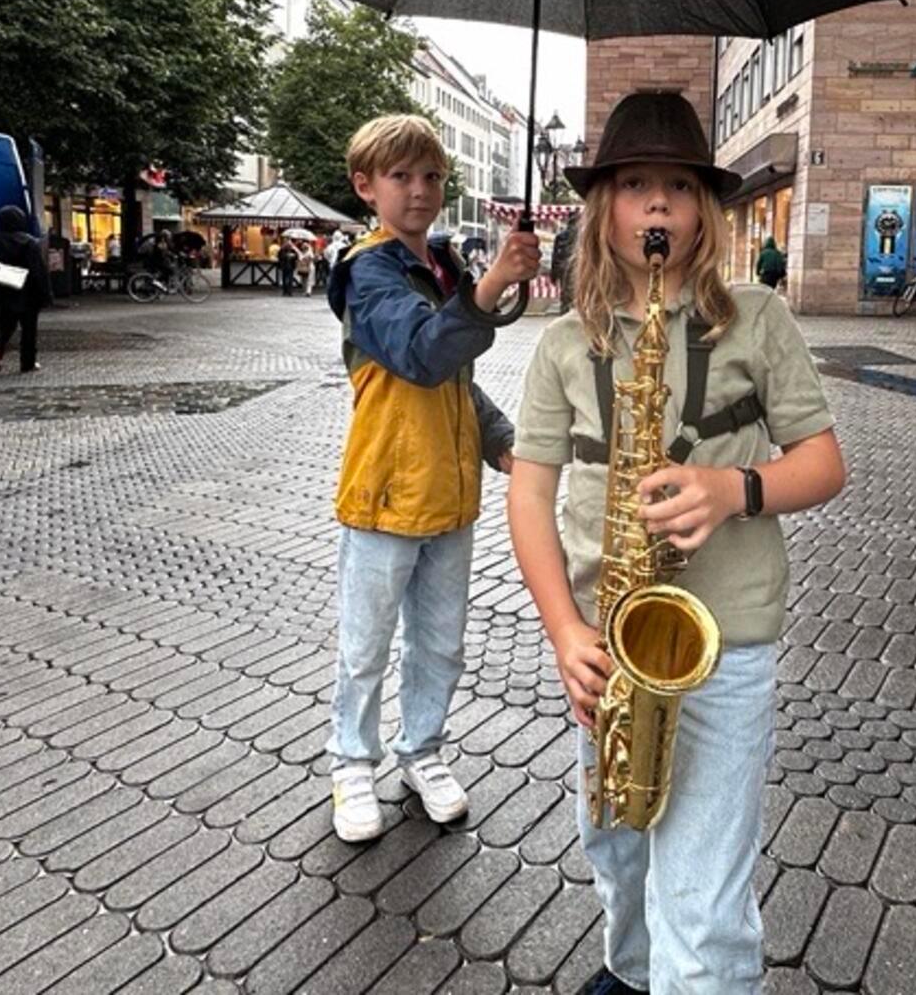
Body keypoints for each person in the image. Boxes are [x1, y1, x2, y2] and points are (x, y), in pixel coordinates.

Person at [506, 92, 847, 994]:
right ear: (602, 208)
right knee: (617, 850)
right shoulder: (563, 344)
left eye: (677, 187)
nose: (656, 203)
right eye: (633, 185)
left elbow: (824, 463)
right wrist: (562, 630)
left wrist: (734, 489)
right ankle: (630, 969)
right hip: (606, 640)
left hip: (724, 642)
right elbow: (529, 491)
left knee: (701, 898)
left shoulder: (758, 318)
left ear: (704, 211)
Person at [324, 114, 540, 845]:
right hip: (385, 492)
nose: (419, 191)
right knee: (366, 644)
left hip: (450, 500)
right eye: (400, 177)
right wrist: (489, 290)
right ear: (366, 186)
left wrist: (503, 444)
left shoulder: (443, 262)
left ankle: (422, 752)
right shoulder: (366, 269)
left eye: (431, 177)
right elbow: (419, 354)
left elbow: (454, 381)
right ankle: (352, 763)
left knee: (441, 644)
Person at [0, 205, 50, 374]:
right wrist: (45, 293)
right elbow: (38, 271)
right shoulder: (29, 242)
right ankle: (27, 363)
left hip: (3, 286)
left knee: (5, 323)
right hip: (27, 291)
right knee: (28, 329)